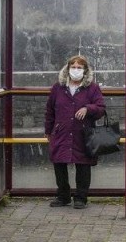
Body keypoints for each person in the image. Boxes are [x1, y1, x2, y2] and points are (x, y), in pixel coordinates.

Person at [44, 55, 106, 209]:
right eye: (73, 66)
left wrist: (88, 108)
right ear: (68, 68)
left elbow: (101, 109)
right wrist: (48, 130)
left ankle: (81, 197)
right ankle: (63, 196)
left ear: (85, 70)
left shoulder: (92, 88)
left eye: (79, 67)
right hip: (61, 132)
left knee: (83, 165)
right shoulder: (58, 87)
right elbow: (50, 111)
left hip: (82, 133)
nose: (76, 70)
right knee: (59, 163)